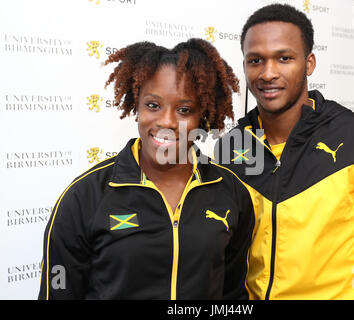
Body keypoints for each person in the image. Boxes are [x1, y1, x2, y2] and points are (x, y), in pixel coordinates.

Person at [213, 4, 354, 299]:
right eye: (256, 60)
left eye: (284, 58)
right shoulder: (232, 146)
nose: (268, 73)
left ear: (309, 64)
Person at [38, 38, 255, 299]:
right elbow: (59, 290)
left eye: (184, 110)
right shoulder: (85, 196)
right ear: (137, 107)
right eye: (153, 105)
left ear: (203, 116)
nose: (166, 121)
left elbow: (232, 293)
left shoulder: (230, 192)